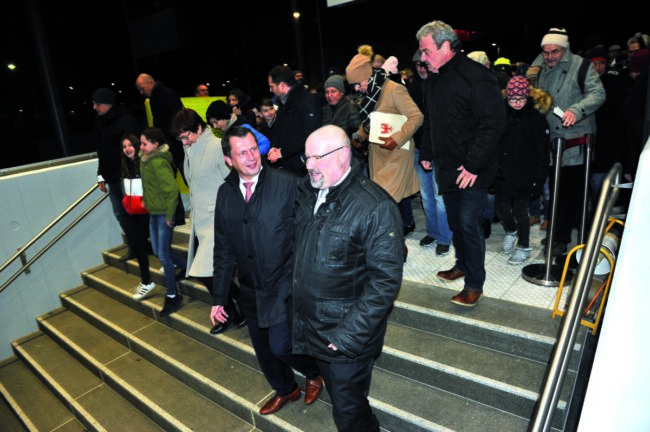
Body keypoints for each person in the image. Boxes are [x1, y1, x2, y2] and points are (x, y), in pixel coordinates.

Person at [292, 125, 403, 432]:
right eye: (307, 157)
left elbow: (385, 282)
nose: (309, 164)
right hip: (313, 326)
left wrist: (346, 337)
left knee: (348, 410)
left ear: (343, 155)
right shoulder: (310, 192)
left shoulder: (375, 206)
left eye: (317, 157)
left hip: (344, 338)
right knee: (348, 403)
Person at [211, 127, 323, 416]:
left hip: (284, 281)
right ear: (229, 160)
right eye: (241, 153)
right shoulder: (225, 194)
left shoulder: (287, 183)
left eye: (253, 149)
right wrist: (219, 297)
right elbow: (223, 249)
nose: (251, 158)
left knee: (282, 345)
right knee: (263, 350)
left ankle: (314, 372)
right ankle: (287, 389)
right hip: (250, 286)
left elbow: (310, 230)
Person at [417, 20, 507, 307]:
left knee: (469, 224)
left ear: (446, 46)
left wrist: (473, 166)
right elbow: (431, 119)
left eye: (426, 51)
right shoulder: (433, 79)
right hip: (447, 164)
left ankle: (474, 283)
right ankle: (462, 264)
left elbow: (494, 124)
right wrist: (428, 153)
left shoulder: (476, 77)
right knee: (455, 222)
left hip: (473, 168)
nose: (422, 58)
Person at [527, 28, 605, 256]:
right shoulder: (539, 66)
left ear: (565, 49)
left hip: (576, 142)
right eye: (546, 52)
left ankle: (568, 238)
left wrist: (576, 110)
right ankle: (557, 235)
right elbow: (537, 97)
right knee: (554, 192)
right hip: (550, 142)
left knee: (572, 193)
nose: (549, 56)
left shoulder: (581, 66)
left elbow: (598, 94)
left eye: (555, 52)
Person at [170, 108, 245, 334]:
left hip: (217, 220)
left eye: (186, 136)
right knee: (208, 273)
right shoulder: (190, 149)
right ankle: (235, 311)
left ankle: (235, 308)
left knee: (207, 272)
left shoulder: (215, 147)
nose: (184, 141)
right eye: (181, 138)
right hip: (200, 221)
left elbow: (233, 181)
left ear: (199, 128)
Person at [346, 44, 423, 239]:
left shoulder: (393, 89)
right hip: (378, 156)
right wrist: (360, 135)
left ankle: (393, 241)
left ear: (368, 77)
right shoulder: (371, 94)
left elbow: (416, 117)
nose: (357, 89)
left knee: (387, 200)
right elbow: (372, 120)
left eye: (358, 83)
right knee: (384, 201)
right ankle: (392, 240)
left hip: (397, 156)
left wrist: (396, 139)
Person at [495, 76, 551, 264]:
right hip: (503, 172)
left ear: (527, 97)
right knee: (501, 209)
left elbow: (543, 152)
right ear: (507, 98)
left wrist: (539, 179)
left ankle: (523, 245)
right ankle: (511, 231)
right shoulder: (501, 114)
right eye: (513, 99)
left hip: (525, 174)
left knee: (521, 211)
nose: (517, 103)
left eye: (521, 99)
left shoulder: (536, 119)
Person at [139, 127, 187, 316]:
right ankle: (187, 266)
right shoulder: (147, 161)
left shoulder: (158, 162)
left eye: (144, 143)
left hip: (163, 215)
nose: (141, 147)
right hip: (154, 213)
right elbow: (151, 186)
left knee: (164, 255)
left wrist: (169, 216)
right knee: (158, 251)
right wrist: (146, 198)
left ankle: (173, 296)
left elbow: (172, 191)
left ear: (155, 144)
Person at [409, 50, 453, 256]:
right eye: (418, 64)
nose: (421, 68)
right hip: (420, 149)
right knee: (426, 197)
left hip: (440, 151)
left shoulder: (441, 85)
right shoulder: (413, 88)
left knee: (439, 198)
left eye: (424, 64)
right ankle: (433, 232)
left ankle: (445, 237)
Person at [92, 87, 142, 261]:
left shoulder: (126, 120)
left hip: (126, 174)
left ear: (106, 104)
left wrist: (132, 171)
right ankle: (135, 246)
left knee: (135, 210)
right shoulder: (99, 122)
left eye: (96, 104)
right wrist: (100, 175)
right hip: (110, 175)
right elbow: (101, 150)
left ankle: (142, 244)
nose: (94, 107)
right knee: (120, 213)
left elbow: (134, 148)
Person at [266, 65, 323, 176]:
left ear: (282, 85)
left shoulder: (308, 101)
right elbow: (278, 129)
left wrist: (282, 152)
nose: (270, 90)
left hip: (305, 169)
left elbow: (309, 134)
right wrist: (274, 147)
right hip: (288, 166)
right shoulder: (284, 103)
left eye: (272, 86)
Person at [120, 134, 154, 298]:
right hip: (135, 213)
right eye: (124, 146)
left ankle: (147, 281)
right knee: (139, 245)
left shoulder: (146, 163)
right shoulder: (126, 165)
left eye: (130, 145)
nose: (127, 149)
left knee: (156, 248)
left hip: (149, 212)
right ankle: (146, 281)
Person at [135, 74, 185, 180]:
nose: (141, 92)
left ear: (150, 82)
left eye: (142, 88)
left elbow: (180, 119)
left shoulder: (166, 94)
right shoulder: (155, 98)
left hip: (178, 149)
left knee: (189, 180)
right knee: (170, 184)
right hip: (168, 148)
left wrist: (174, 142)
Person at [321, 74, 364, 170]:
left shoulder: (350, 108)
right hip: (334, 160)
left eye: (333, 91)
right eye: (327, 92)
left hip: (350, 161)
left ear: (341, 92)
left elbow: (358, 136)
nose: (329, 95)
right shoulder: (325, 110)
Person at [206, 100, 270, 155]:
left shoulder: (243, 127)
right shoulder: (226, 130)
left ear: (224, 118)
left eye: (216, 122)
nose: (214, 126)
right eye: (212, 124)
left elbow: (265, 143)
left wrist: (250, 156)